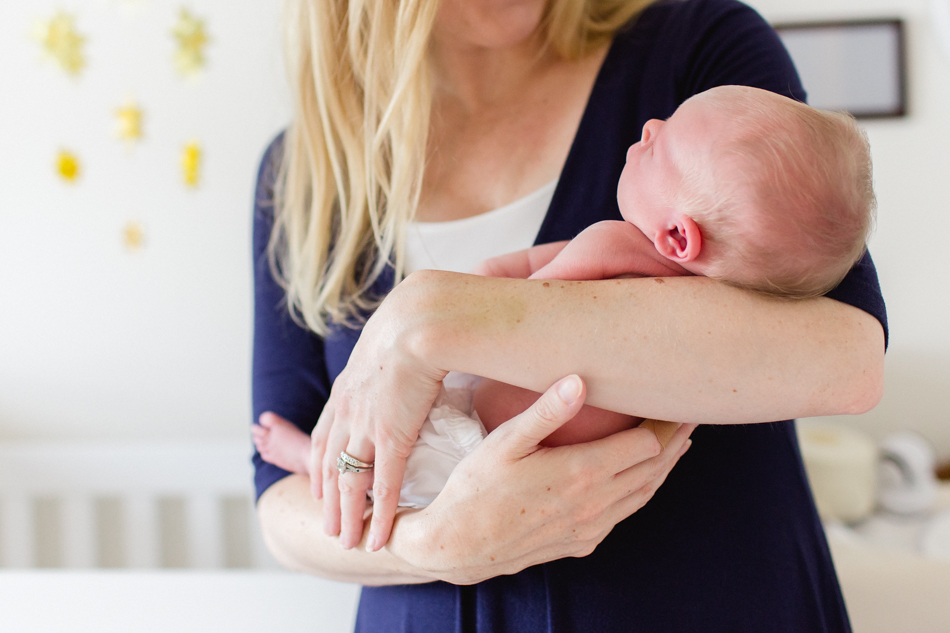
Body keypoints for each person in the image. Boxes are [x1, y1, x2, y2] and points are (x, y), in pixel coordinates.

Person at [252, 0, 887, 631]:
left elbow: (848, 360)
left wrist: (425, 319)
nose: (651, 133)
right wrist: (431, 542)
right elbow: (278, 507)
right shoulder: (306, 171)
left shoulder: (698, 46)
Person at [253, 83, 875, 507]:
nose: (652, 126)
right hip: (501, 432)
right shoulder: (727, 318)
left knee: (401, 472)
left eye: (668, 145)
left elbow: (524, 280)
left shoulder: (613, 244)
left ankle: (312, 458)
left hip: (482, 440)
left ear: (681, 235)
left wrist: (462, 307)